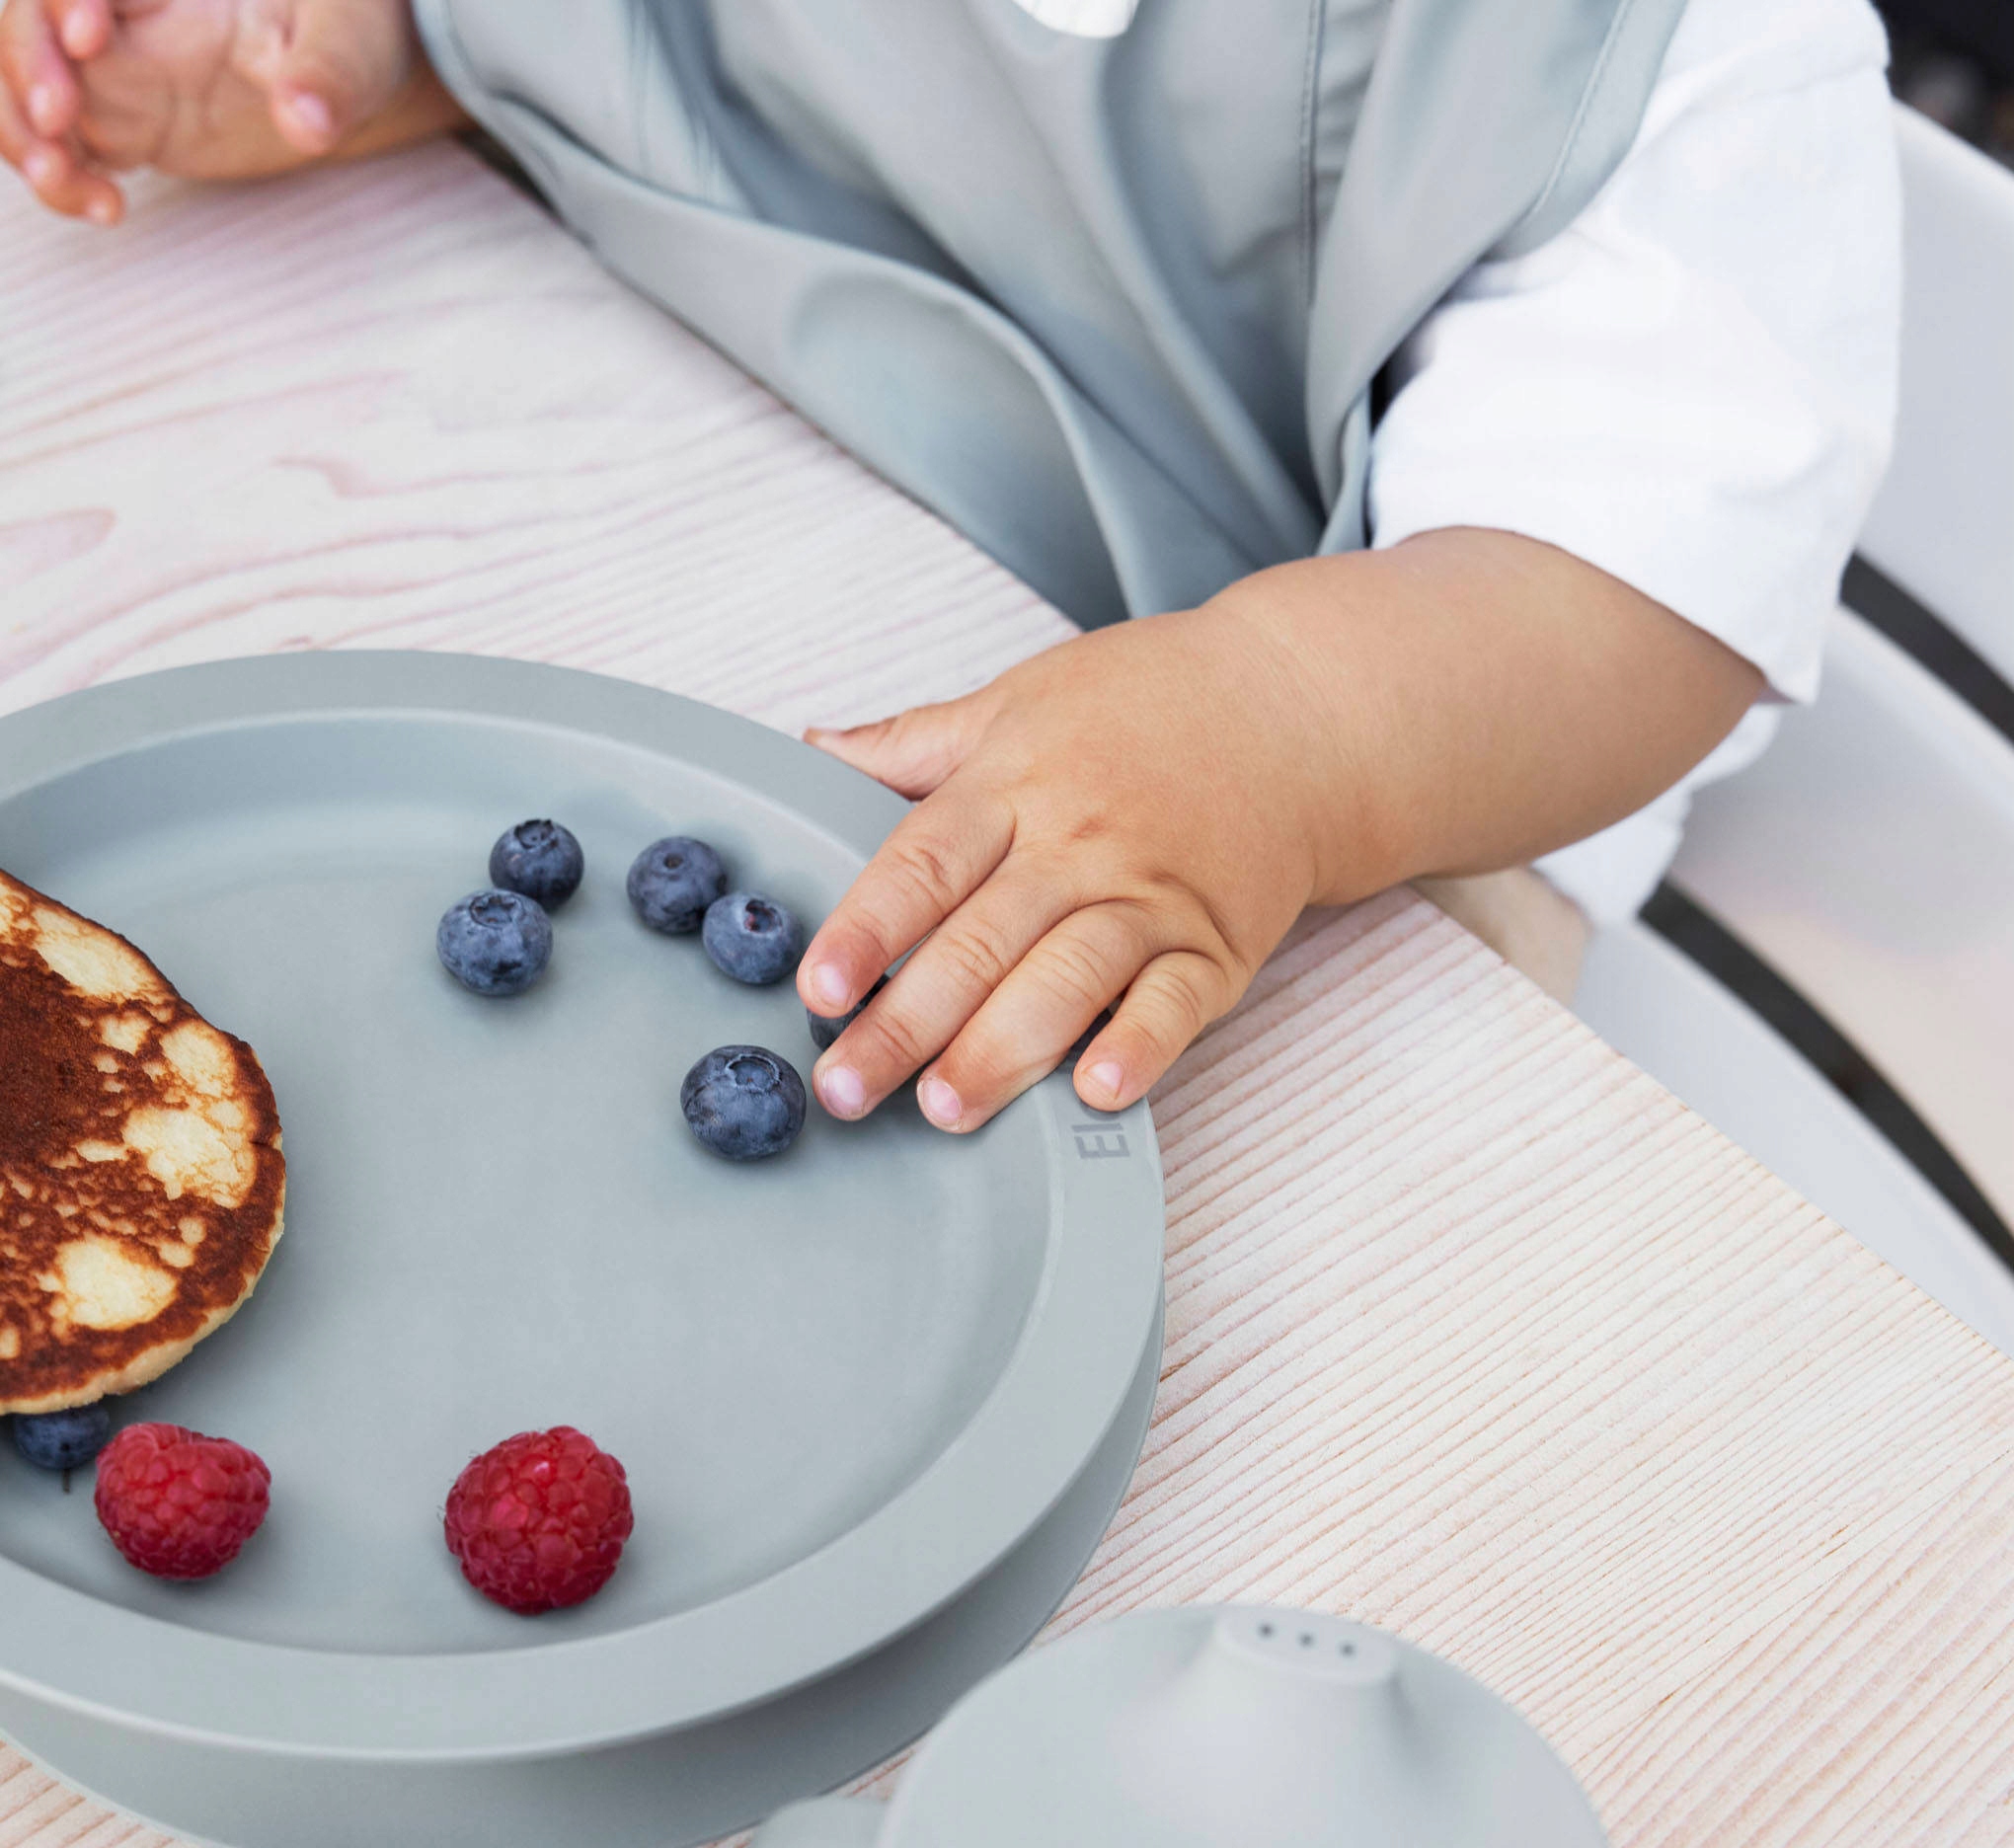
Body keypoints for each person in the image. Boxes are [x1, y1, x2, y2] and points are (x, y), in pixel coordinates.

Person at [0, 0, 1900, 1137]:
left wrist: (1284, 726)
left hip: (1354, 806)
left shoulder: (1667, 61)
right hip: (696, 517)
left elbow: (1639, 584)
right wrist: (406, 46)